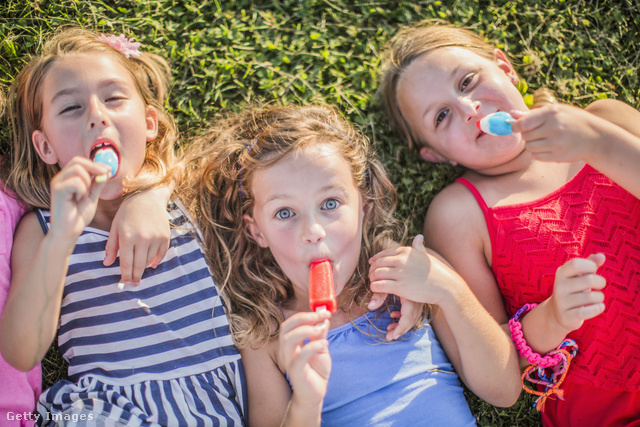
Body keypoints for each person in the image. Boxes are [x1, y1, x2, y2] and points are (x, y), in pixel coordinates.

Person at [182, 104, 521, 426]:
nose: (313, 231)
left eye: (330, 203)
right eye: (285, 213)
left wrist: (449, 290)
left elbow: (504, 391)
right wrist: (306, 401)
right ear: (257, 231)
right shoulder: (267, 337)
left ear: (363, 207)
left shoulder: (416, 276)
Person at [378, 20, 640, 426]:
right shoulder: (458, 215)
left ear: (505, 68)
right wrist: (554, 316)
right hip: (609, 411)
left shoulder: (603, 121)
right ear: (435, 155)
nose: (469, 110)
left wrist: (596, 142)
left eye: (467, 82)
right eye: (443, 116)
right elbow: (500, 369)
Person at [0, 27, 245, 425]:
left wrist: (151, 195)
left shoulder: (187, 197)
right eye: (70, 108)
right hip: (108, 410)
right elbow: (21, 352)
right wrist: (63, 236)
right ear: (46, 147)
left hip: (213, 404)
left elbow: (252, 163)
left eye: (114, 99)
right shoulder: (42, 229)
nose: (97, 115)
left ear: (149, 123)